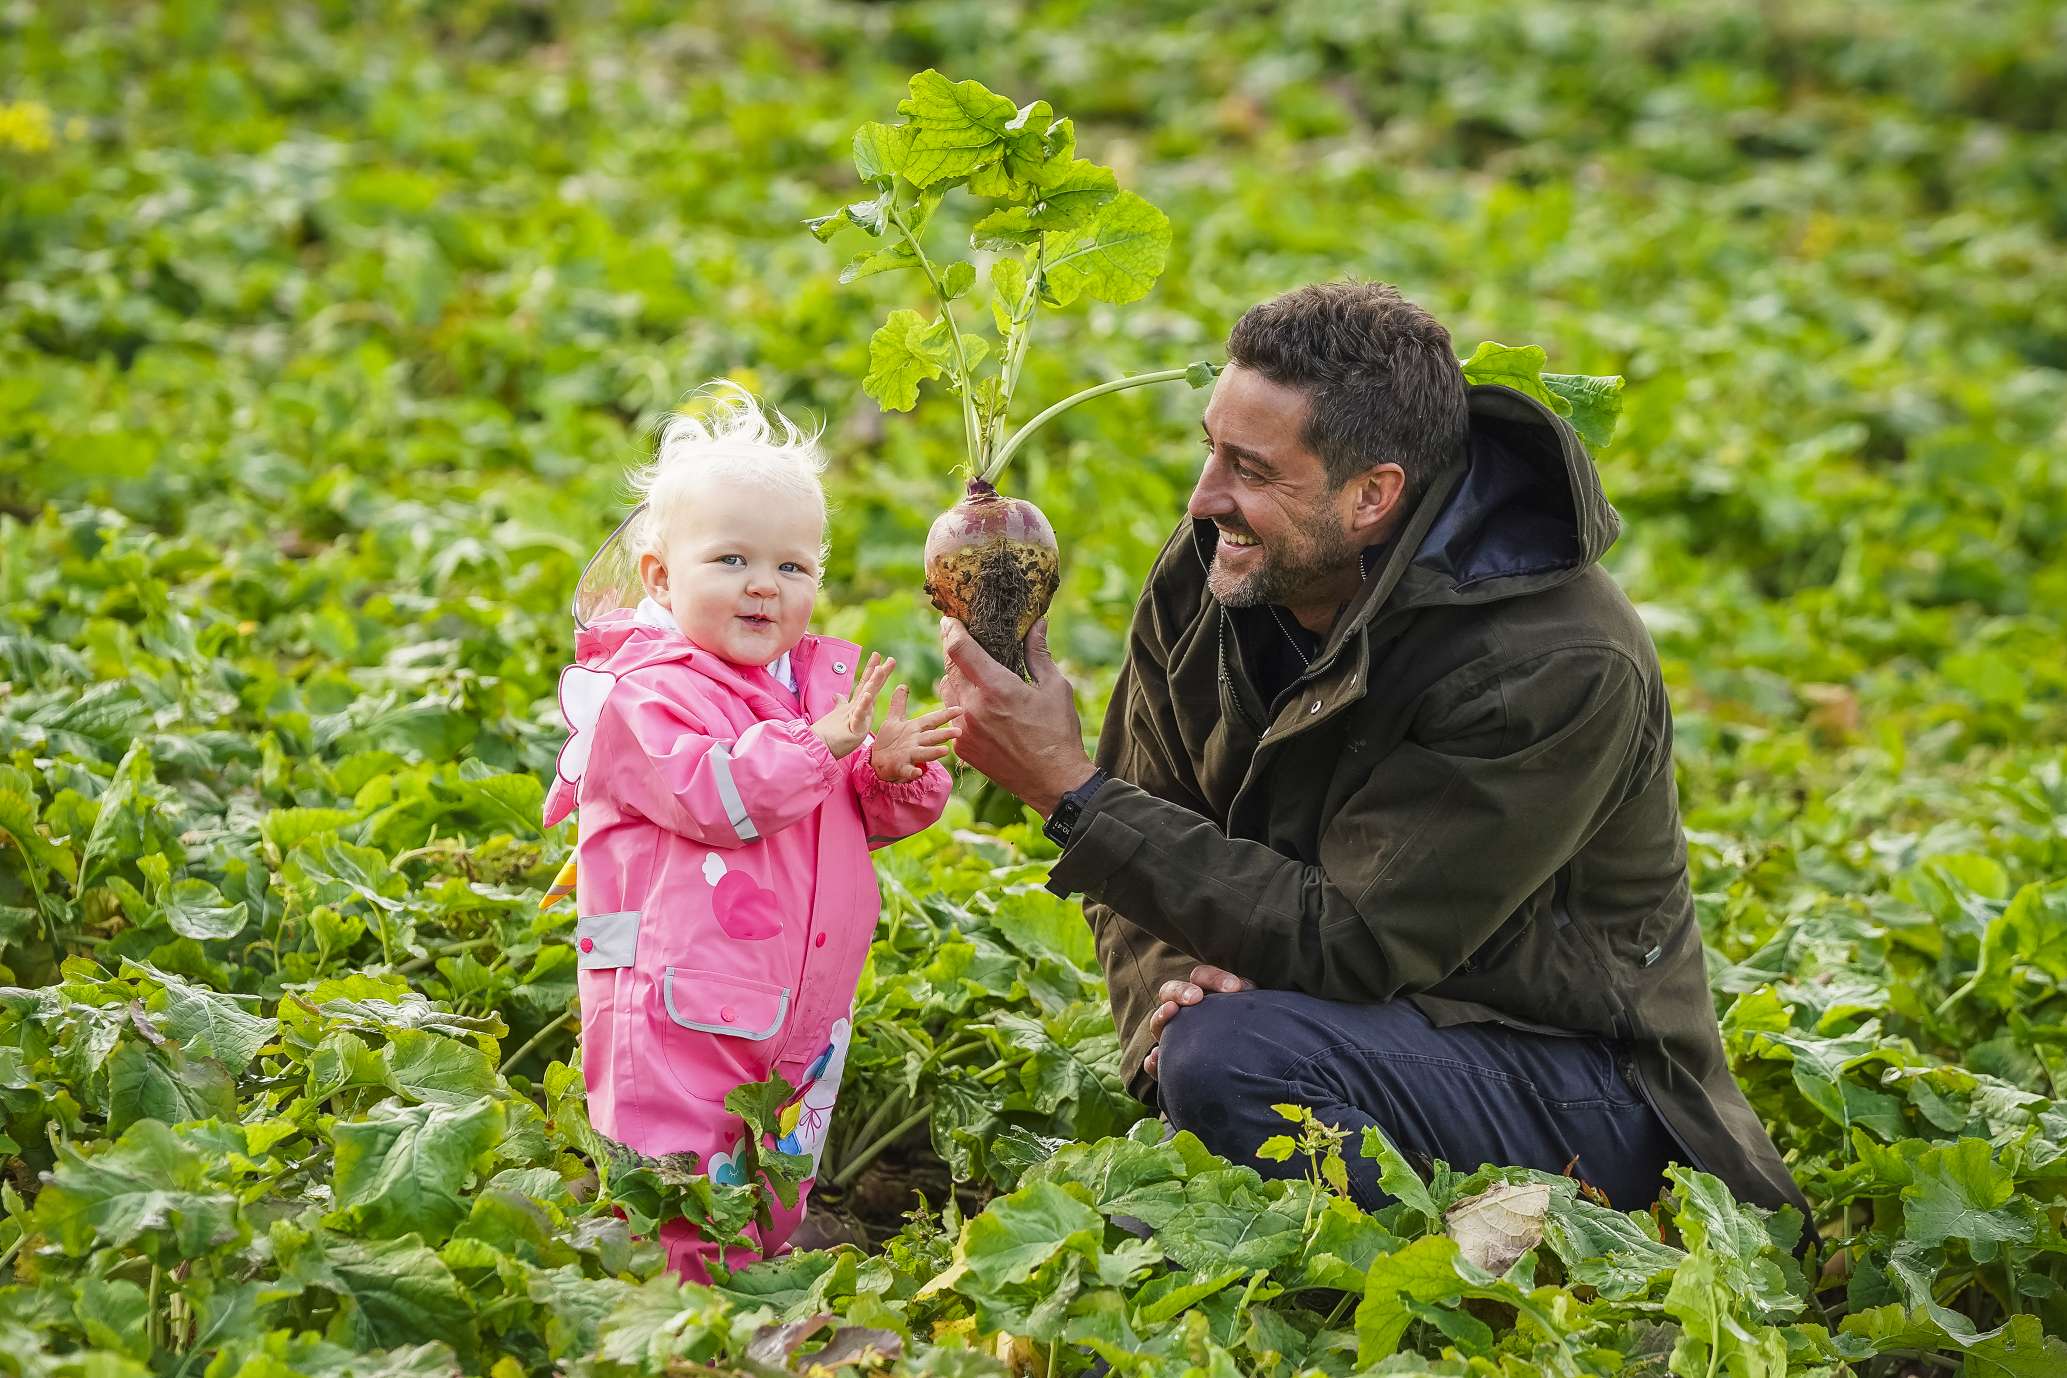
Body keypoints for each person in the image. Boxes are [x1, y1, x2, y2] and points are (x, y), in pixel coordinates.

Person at [939, 281, 1810, 1220]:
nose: (1205, 497)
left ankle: (1501, 1262)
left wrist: (1067, 790)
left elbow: (1352, 940)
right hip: (1347, 1018)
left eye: (1251, 468)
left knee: (1233, 1063)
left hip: (1584, 1081)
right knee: (1207, 1051)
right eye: (1209, 448)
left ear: (1372, 495)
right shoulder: (1215, 566)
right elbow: (1149, 848)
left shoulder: (1551, 660)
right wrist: (1169, 999)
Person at [541, 382, 962, 1280]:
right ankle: (679, 1307)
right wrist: (822, 746)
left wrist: (884, 773)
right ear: (661, 576)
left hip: (800, 992)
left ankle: (758, 1273)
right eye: (730, 560)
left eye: (792, 567)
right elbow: (718, 797)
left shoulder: (805, 692)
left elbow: (839, 816)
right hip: (672, 995)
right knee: (678, 1161)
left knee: (778, 1155)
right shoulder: (646, 695)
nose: (764, 585)